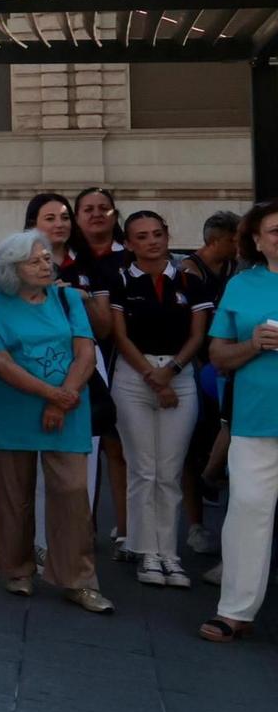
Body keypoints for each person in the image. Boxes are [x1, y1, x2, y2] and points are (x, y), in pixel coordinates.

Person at [0, 232, 113, 613]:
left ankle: (78, 580)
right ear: (11, 269)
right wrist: (52, 396)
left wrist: (63, 397)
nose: (46, 265)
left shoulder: (68, 299)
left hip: (68, 408)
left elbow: (85, 353)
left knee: (72, 494)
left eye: (47, 259)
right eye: (35, 261)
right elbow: (0, 364)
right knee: (12, 497)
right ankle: (16, 569)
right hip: (12, 412)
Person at [107, 211, 208, 590]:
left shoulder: (189, 281)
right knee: (143, 468)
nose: (152, 241)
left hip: (179, 378)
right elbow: (119, 335)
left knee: (169, 472)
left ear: (167, 235)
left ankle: (170, 553)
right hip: (135, 378)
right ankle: (145, 551)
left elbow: (198, 335)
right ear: (129, 243)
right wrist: (152, 376)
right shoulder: (119, 282)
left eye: (157, 234)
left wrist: (172, 372)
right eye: (142, 236)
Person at [202, 200, 278, 643]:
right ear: (255, 239)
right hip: (254, 420)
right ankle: (234, 611)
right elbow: (218, 357)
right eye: (274, 230)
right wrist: (252, 344)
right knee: (247, 512)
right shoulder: (241, 286)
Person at [71, 185, 131, 558]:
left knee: (119, 450)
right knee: (84, 453)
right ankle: (84, 529)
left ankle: (126, 531)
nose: (96, 214)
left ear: (115, 215)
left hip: (123, 360)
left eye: (104, 208)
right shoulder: (67, 261)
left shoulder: (130, 258)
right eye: (88, 209)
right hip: (80, 363)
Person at [181, 209, 239, 558]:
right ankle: (195, 525)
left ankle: (213, 479)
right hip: (197, 365)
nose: (240, 245)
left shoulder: (237, 270)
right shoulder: (189, 272)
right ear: (218, 240)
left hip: (225, 368)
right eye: (235, 239)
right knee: (193, 446)